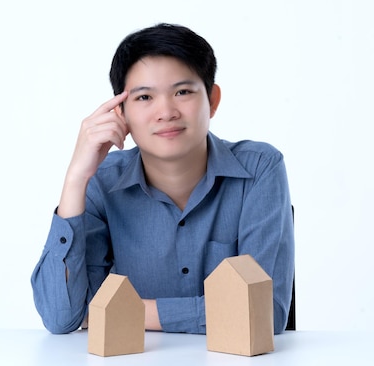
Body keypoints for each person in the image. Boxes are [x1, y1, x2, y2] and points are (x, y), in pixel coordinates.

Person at [31, 23, 295, 335]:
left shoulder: (259, 169)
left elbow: (265, 314)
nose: (166, 111)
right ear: (121, 111)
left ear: (212, 99)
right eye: (144, 97)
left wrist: (122, 311)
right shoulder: (101, 182)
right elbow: (62, 318)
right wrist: (76, 178)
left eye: (182, 92)